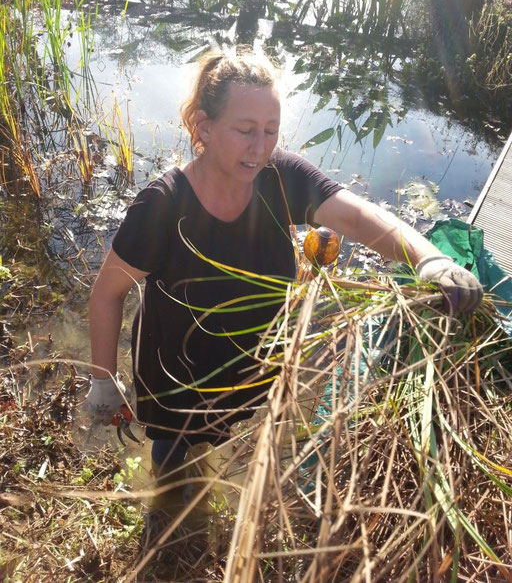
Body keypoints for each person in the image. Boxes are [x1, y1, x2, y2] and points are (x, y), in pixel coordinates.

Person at [85, 48, 483, 469]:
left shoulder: (280, 178)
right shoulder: (163, 206)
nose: (260, 148)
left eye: (271, 131)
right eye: (246, 130)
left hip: (250, 364)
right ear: (204, 125)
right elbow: (107, 294)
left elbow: (359, 215)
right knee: (171, 455)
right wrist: (104, 381)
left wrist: (428, 258)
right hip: (175, 376)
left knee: (225, 434)